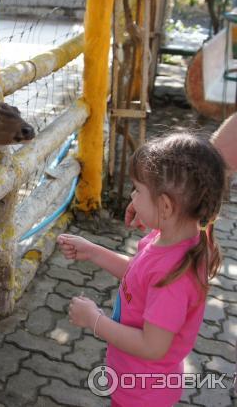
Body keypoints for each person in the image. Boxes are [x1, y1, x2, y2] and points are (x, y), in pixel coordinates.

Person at [57, 132, 226, 406]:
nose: (132, 197)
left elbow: (152, 346)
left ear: (166, 205)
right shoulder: (167, 238)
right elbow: (138, 277)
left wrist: (94, 321)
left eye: (137, 189)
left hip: (142, 393)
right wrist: (93, 252)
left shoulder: (175, 275)